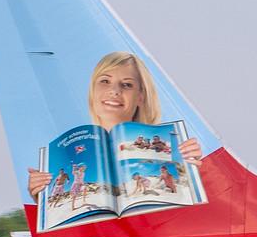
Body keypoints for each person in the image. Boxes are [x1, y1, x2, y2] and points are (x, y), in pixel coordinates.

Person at [26, 52, 203, 196]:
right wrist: (41, 197)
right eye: (105, 81)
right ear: (93, 91)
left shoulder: (171, 143)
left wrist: (195, 171)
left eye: (127, 85)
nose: (114, 91)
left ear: (141, 97)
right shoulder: (66, 151)